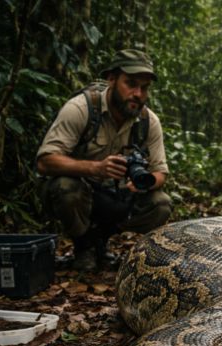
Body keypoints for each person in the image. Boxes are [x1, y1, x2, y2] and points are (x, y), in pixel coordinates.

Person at [36, 50, 173, 272]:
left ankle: (99, 236)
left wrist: (142, 183)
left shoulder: (149, 121)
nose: (138, 93)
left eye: (144, 87)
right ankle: (83, 246)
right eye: (130, 83)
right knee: (67, 187)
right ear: (111, 80)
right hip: (76, 194)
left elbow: (160, 173)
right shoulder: (81, 109)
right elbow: (44, 162)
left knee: (161, 204)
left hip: (115, 195)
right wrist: (96, 168)